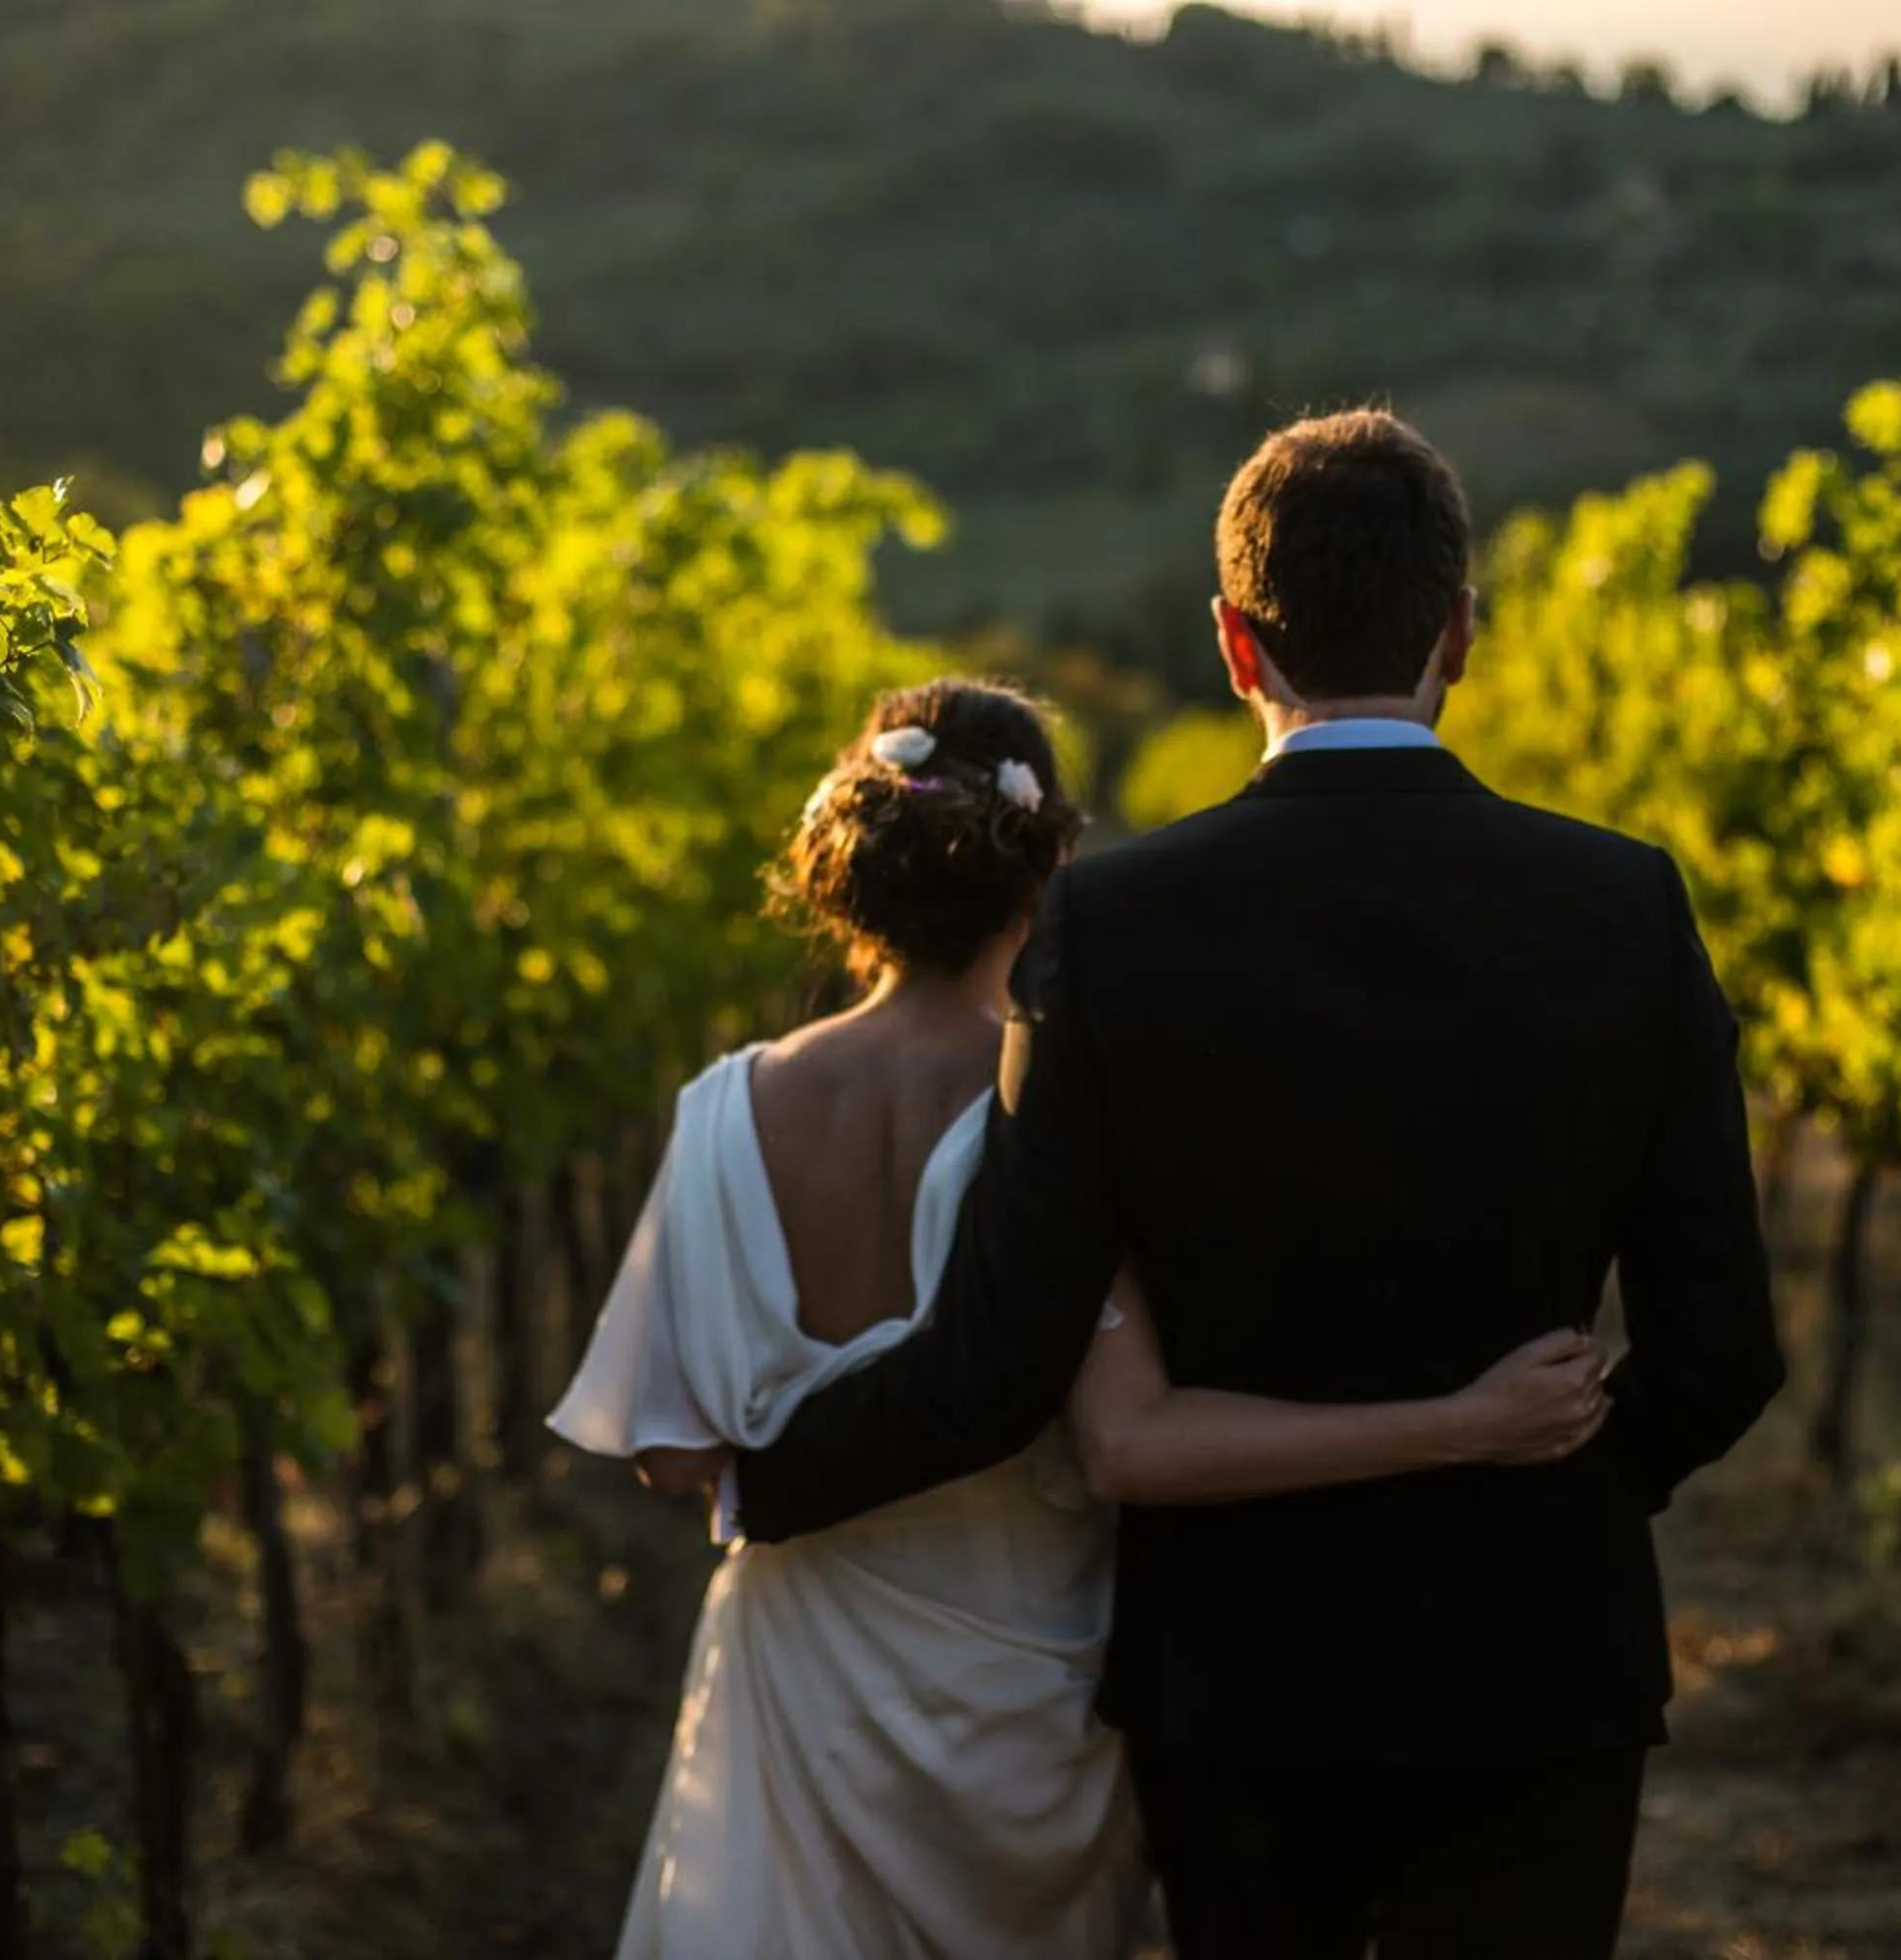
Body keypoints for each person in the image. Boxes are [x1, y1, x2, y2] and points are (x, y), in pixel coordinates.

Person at [733, 410, 1786, 1958]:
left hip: (1236, 1669)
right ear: (1461, 630)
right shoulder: (1625, 902)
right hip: (1538, 1664)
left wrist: (761, 1472)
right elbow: (1724, 1351)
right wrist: (1545, 1490)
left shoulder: (1110, 926)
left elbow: (998, 1356)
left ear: (1235, 644)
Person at [549, 676, 1618, 1958]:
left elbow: (672, 1456)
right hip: (1026, 1686)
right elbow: (1135, 1440)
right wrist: (1458, 1421)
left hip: (796, 1674)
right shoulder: (1056, 1111)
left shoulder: (719, 1108)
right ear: (1046, 855)